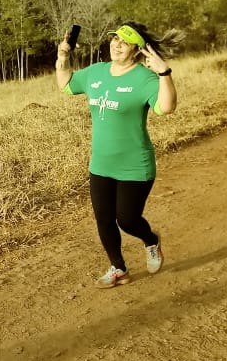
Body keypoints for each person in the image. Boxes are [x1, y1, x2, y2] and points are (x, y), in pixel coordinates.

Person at [55, 21, 180, 288]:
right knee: (104, 219)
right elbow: (65, 84)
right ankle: (119, 268)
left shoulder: (144, 79)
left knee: (127, 219)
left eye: (125, 42)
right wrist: (63, 56)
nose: (117, 44)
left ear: (137, 50)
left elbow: (166, 107)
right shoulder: (96, 72)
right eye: (115, 39)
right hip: (101, 164)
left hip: (135, 165)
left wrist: (164, 73)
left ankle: (151, 240)